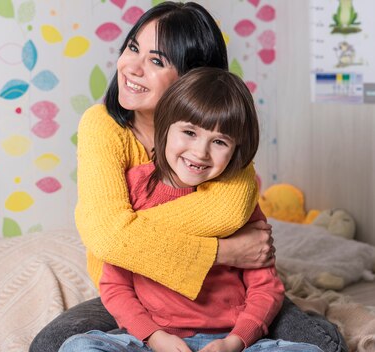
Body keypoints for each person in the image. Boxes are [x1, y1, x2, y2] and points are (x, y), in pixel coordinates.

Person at [29, 2, 346, 352]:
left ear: (193, 77)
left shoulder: (222, 134)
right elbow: (108, 240)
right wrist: (224, 251)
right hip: (139, 293)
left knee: (322, 343)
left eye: (156, 60)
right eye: (133, 47)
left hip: (224, 303)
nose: (131, 67)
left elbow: (227, 212)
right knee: (51, 345)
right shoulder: (103, 125)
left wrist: (128, 229)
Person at [59, 67, 322, 352]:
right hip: (151, 341)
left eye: (219, 142)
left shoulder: (234, 198)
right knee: (77, 347)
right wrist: (154, 336)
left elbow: (266, 287)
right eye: (189, 132)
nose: (200, 152)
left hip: (227, 341)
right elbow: (115, 286)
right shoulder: (135, 189)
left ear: (236, 150)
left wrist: (234, 342)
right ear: (165, 127)